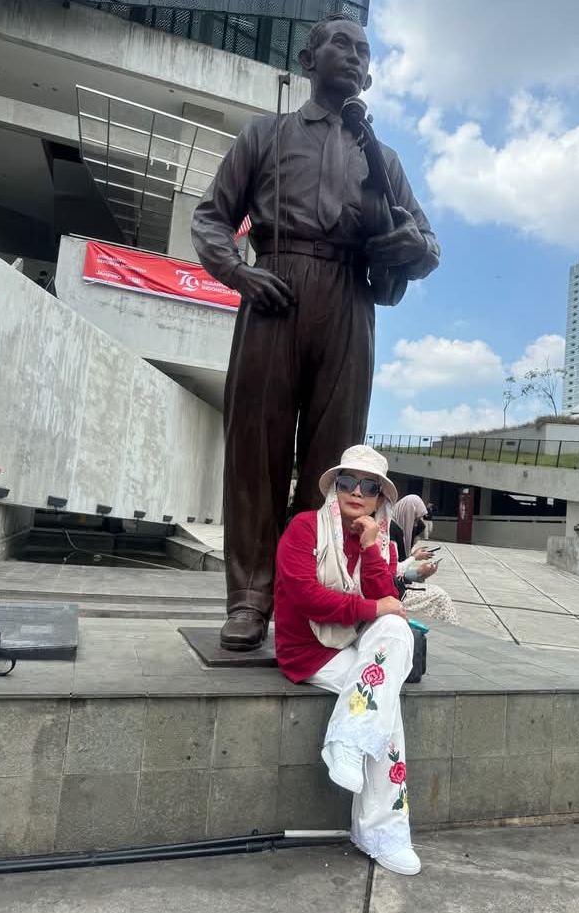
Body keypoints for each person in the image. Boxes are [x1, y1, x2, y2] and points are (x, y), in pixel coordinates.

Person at [191, 13, 440, 650]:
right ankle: (249, 598)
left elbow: (427, 245)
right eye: (340, 44)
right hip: (274, 289)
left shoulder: (382, 159)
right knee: (256, 451)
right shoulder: (266, 134)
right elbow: (210, 219)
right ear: (308, 59)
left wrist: (408, 246)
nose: (353, 56)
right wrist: (239, 274)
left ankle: (308, 596)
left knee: (337, 466)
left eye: (363, 50)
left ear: (370, 74)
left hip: (350, 298)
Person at [274, 445, 421, 876]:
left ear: (380, 499)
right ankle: (384, 834)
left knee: (396, 630)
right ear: (334, 488)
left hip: (358, 645)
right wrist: (374, 609)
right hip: (309, 650)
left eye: (369, 486)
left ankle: (349, 742)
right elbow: (307, 598)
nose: (357, 492)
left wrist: (372, 548)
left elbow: (386, 601)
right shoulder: (305, 528)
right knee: (384, 710)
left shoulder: (381, 540)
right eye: (347, 482)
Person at [391, 495, 458, 625]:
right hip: (393, 592)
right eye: (415, 519)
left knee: (439, 595)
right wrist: (416, 563)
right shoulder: (391, 530)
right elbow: (394, 570)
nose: (415, 524)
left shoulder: (396, 529)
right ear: (407, 514)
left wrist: (420, 572)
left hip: (397, 587)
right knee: (441, 596)